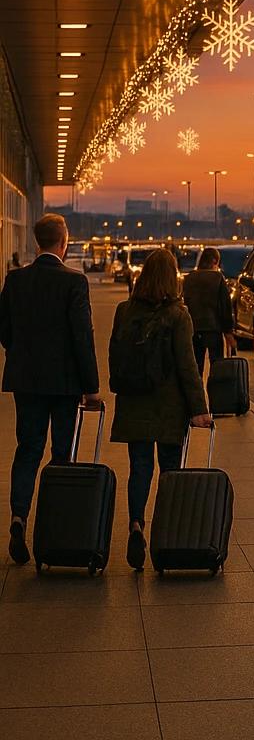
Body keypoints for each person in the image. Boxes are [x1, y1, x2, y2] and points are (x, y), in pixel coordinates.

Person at [0, 213, 101, 565]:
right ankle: (54, 528)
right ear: (64, 242)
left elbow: (4, 330)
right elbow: (82, 337)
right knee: (62, 454)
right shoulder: (74, 281)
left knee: (27, 448)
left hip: (26, 382)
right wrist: (91, 387)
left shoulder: (15, 280)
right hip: (64, 384)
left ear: (36, 241)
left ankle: (18, 518)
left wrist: (22, 355)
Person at [109, 248, 212, 570]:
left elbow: (115, 356)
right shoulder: (178, 316)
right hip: (169, 407)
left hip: (134, 403)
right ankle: (166, 535)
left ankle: (137, 525)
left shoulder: (124, 311)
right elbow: (187, 367)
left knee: (139, 469)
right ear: (172, 278)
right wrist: (200, 409)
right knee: (169, 471)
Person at [182, 246, 237, 375]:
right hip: (213, 330)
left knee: (196, 369)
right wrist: (228, 332)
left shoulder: (189, 278)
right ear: (214, 262)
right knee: (217, 368)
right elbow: (225, 307)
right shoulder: (218, 279)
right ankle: (216, 394)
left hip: (193, 329)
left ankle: (197, 394)